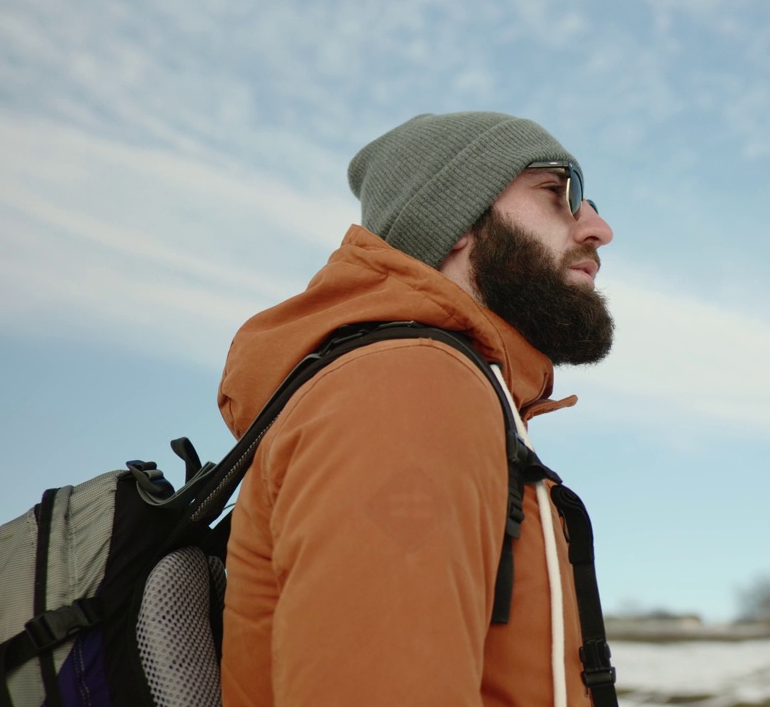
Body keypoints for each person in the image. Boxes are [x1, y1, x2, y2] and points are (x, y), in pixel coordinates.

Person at [217, 112, 616, 706]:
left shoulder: (446, 389)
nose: (599, 228)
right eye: (559, 192)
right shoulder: (406, 385)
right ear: (454, 221)